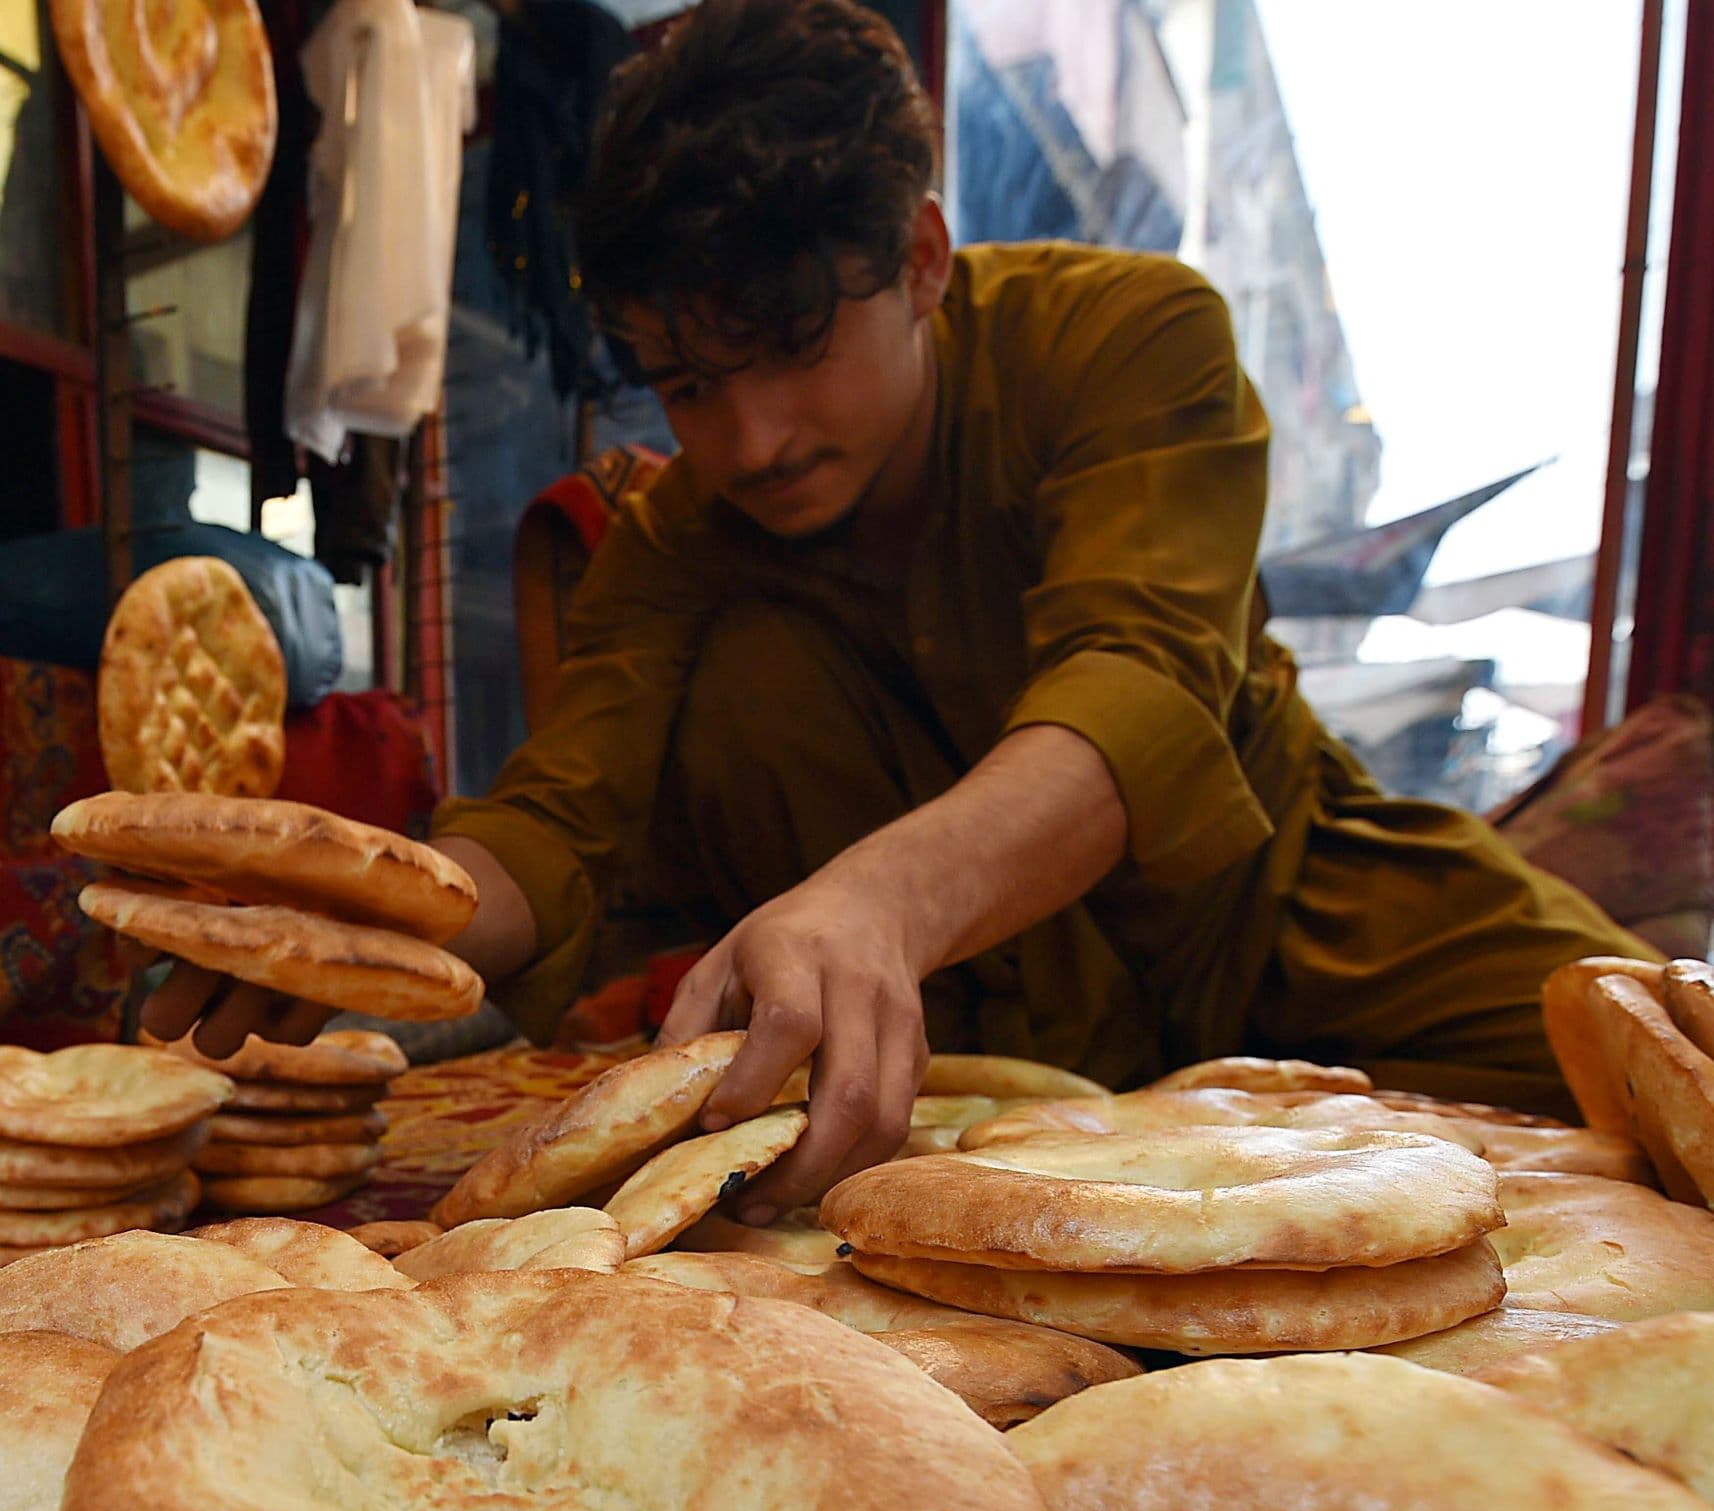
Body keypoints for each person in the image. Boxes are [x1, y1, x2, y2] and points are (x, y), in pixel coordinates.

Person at [148, 0, 1653, 1222]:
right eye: (687, 383)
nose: (749, 441)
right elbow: (560, 826)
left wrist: (872, 901)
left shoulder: (1127, 341)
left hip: (1277, 910)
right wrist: (355, 908)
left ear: (923, 258)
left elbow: (1139, 682)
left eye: (794, 347)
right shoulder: (678, 542)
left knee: (1659, 1073)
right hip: (965, 1046)